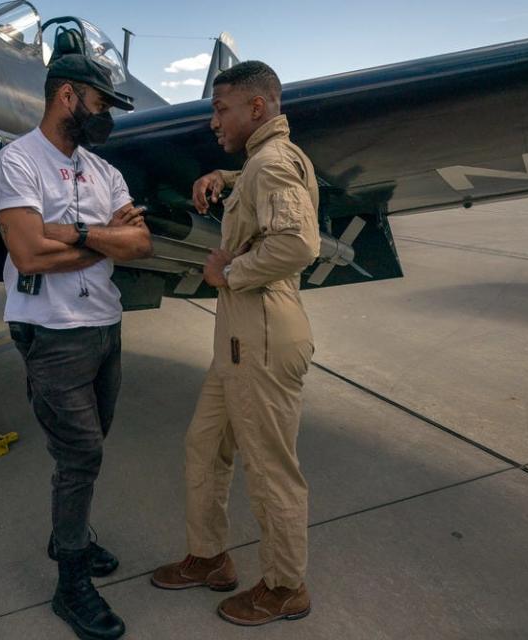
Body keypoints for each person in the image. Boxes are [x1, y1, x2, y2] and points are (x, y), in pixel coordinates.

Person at [0, 54, 153, 640]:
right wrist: (105, 244)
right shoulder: (16, 163)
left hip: (104, 325)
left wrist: (78, 234)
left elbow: (141, 243)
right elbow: (28, 254)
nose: (105, 115)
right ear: (67, 97)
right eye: (101, 103)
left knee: (90, 445)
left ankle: (71, 533)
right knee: (81, 454)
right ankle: (71, 581)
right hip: (52, 333)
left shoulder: (104, 171)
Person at [151, 61, 321, 627]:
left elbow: (298, 245)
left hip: (262, 334)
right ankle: (209, 557)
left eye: (220, 109)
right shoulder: (258, 164)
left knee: (270, 469)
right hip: (241, 338)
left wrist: (231, 272)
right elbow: (259, 197)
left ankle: (283, 586)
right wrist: (224, 178)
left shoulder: (270, 164)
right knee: (205, 445)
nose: (212, 121)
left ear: (257, 108)